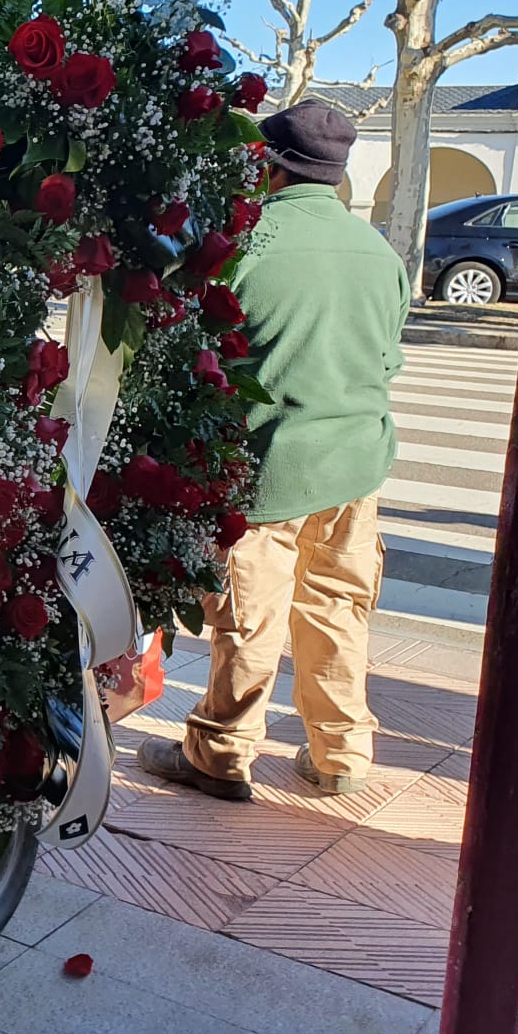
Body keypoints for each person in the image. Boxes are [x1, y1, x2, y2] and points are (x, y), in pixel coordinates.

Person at [139, 101, 409, 801]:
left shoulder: (244, 248)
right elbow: (387, 358)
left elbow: (192, 360)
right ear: (338, 172)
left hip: (265, 468)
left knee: (249, 618)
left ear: (267, 163)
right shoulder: (380, 252)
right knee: (338, 607)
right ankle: (340, 752)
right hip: (355, 465)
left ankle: (221, 755)